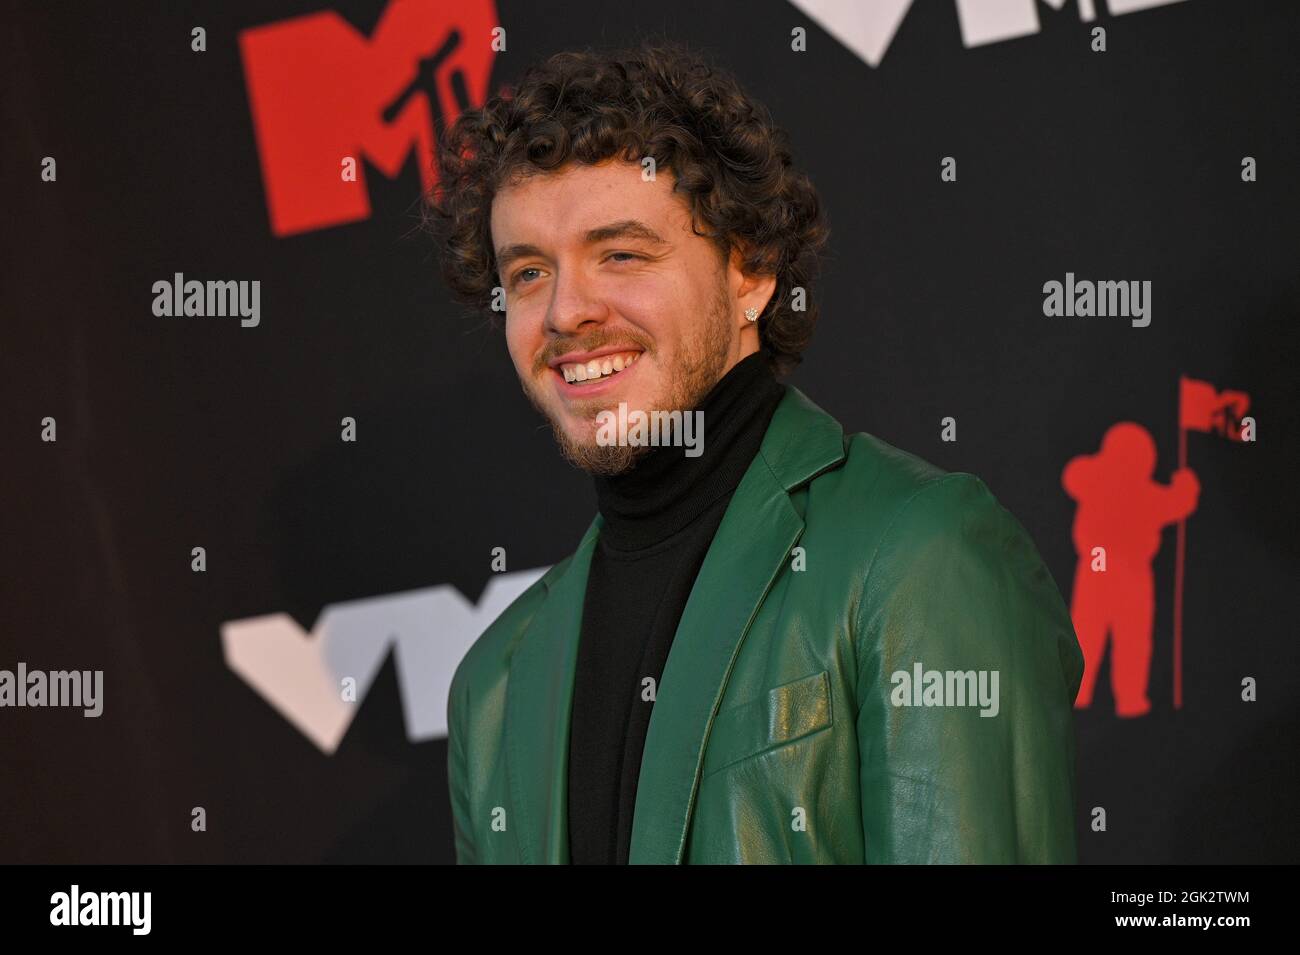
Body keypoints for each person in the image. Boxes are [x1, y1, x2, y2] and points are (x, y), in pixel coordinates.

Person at [428, 40, 1083, 864]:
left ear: (753, 270)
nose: (565, 311)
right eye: (527, 273)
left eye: (620, 253)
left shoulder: (918, 553)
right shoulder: (497, 683)